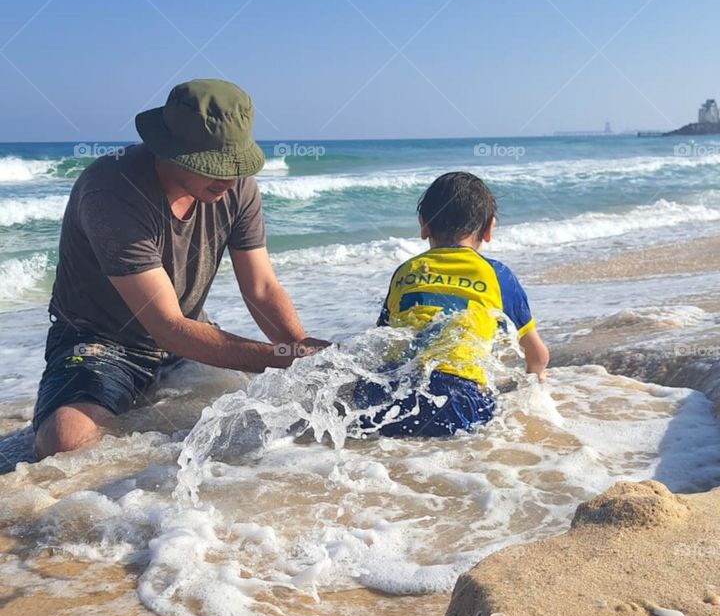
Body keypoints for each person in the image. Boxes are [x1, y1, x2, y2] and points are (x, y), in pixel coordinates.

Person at [33, 78, 328, 459]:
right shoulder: (112, 191)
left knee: (262, 425)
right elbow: (167, 327)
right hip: (101, 342)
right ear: (169, 150)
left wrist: (300, 353)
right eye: (214, 167)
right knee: (64, 443)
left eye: (236, 165)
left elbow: (261, 288)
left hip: (191, 335)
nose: (229, 179)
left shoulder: (237, 186)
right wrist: (281, 358)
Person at [355, 170, 549, 438]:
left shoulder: (406, 271)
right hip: (454, 398)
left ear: (423, 225)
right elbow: (538, 356)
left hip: (386, 394)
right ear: (489, 228)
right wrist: (536, 380)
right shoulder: (497, 275)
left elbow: (381, 342)